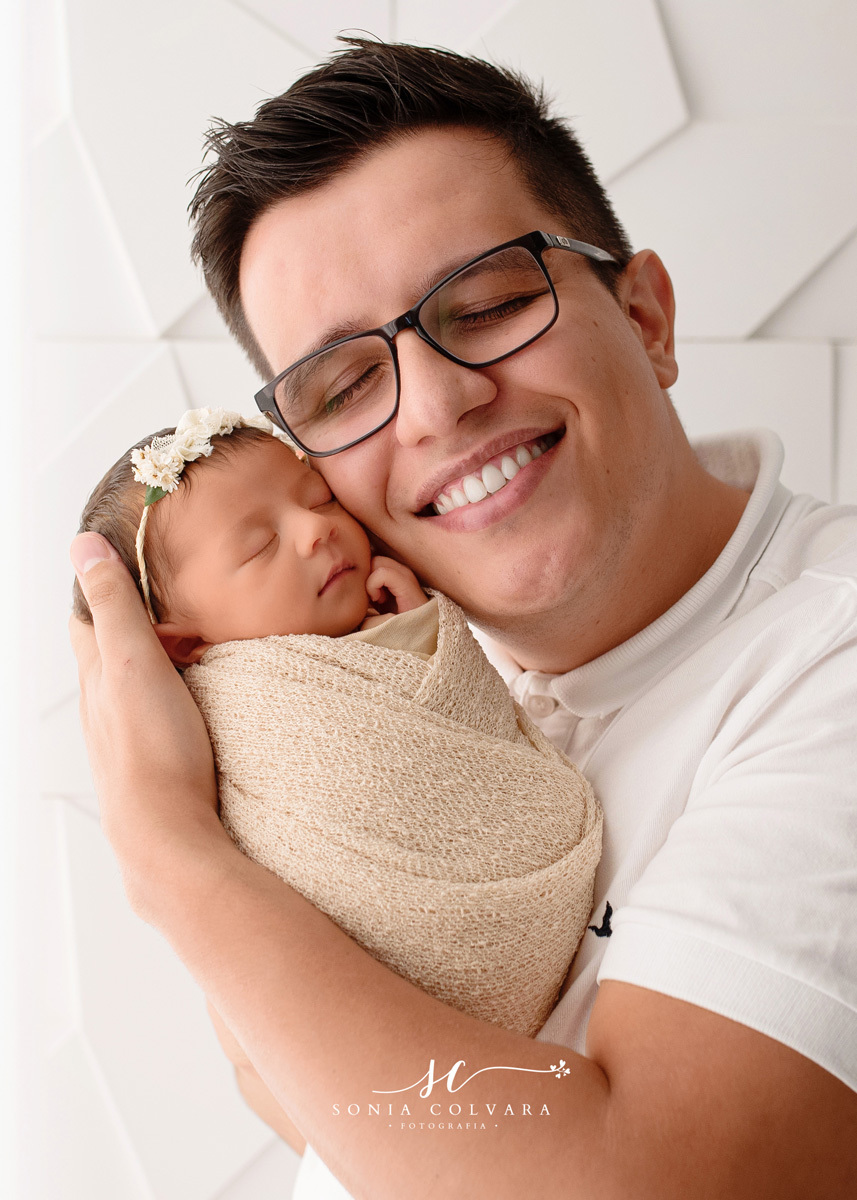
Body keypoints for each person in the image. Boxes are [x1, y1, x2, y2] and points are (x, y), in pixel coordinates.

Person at [69, 38, 857, 1200]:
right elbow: (281, 1086)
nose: (435, 405)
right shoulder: (375, 695)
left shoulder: (826, 662)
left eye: (486, 306)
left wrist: (168, 854)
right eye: (344, 385)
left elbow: (638, 1178)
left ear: (644, 317)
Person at [73, 407, 600, 1042]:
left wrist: (416, 630)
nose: (316, 529)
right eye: (260, 546)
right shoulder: (242, 710)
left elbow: (463, 729)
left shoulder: (405, 613)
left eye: (318, 499)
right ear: (184, 643)